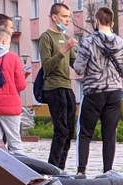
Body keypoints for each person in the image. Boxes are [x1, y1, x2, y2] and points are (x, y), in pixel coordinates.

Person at [73, 6, 123, 177]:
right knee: (109, 134)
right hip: (114, 93)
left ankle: (81, 171)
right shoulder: (121, 44)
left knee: (85, 133)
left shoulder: (88, 42)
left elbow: (78, 69)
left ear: (96, 22)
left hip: (93, 92)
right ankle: (107, 171)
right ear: (111, 23)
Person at [40, 3, 78, 171]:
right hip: (53, 87)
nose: (68, 20)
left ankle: (60, 168)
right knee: (61, 130)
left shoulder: (65, 37)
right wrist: (63, 50)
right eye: (64, 16)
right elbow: (47, 66)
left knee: (69, 131)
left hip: (67, 87)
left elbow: (75, 63)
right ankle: (52, 168)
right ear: (54, 17)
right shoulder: (46, 37)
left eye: (69, 17)